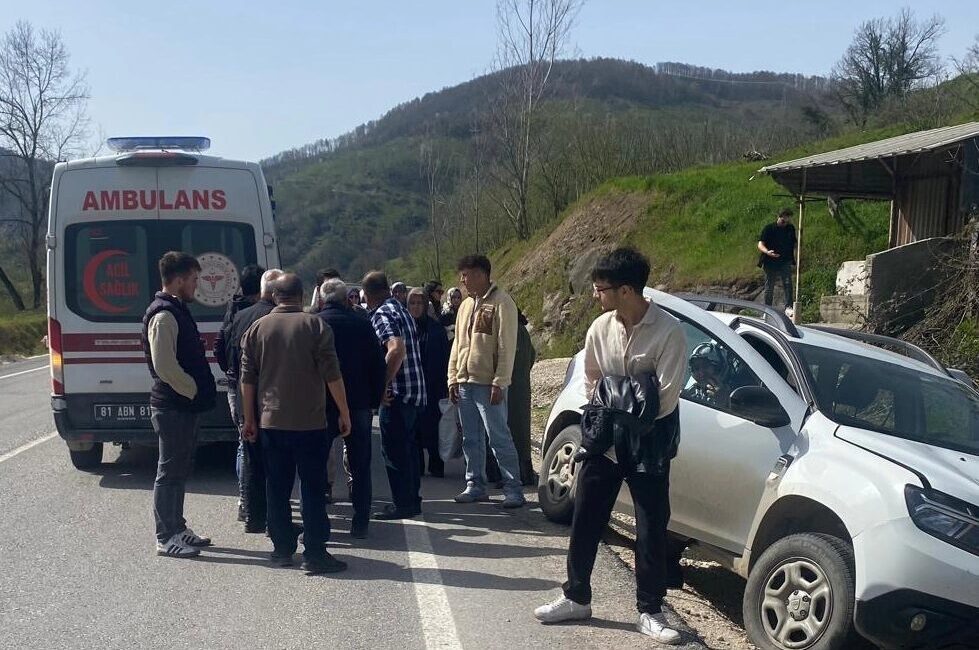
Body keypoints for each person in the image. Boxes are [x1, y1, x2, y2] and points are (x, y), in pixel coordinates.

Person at [534, 247, 686, 645]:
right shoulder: (600, 328)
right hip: (604, 440)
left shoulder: (669, 332)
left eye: (601, 288)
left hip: (649, 442)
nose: (596, 295)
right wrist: (631, 398)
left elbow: (666, 397)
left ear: (625, 290)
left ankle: (650, 610)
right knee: (585, 517)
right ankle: (576, 596)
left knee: (651, 527)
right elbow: (591, 383)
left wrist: (617, 399)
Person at [240, 273, 352, 575]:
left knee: (276, 487)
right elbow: (332, 374)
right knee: (313, 487)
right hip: (309, 422)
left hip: (270, 421)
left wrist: (249, 418)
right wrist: (344, 411)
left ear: (275, 296)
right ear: (302, 296)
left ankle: (281, 549)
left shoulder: (256, 329)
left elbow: (247, 379)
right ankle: (315, 552)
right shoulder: (316, 326)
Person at [141, 251, 217, 558]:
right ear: (179, 279)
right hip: (173, 405)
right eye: (194, 279)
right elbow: (165, 366)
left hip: (182, 405)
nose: (197, 285)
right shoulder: (163, 315)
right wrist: (193, 389)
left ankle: (178, 527)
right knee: (169, 471)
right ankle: (165, 536)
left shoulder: (177, 309)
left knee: (180, 469)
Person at [447, 255, 525, 508]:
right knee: (471, 438)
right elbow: (457, 345)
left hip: (488, 383)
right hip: (464, 382)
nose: (462, 280)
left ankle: (513, 489)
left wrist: (500, 382)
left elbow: (506, 346)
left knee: (498, 436)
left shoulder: (502, 303)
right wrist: (452, 378)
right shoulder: (465, 306)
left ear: (481, 275)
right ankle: (475, 485)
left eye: (466, 275)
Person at [317, 278, 387, 538]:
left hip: (321, 404)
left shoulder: (315, 323)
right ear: (348, 298)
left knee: (317, 463)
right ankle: (360, 520)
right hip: (358, 402)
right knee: (360, 463)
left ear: (323, 299)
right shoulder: (361, 323)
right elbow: (377, 364)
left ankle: (319, 520)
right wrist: (374, 399)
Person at [362, 271, 426, 520]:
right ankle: (412, 499)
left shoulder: (382, 314)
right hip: (414, 390)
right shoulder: (401, 309)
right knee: (409, 449)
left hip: (397, 392)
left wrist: (381, 384)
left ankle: (403, 503)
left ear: (368, 295)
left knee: (394, 451)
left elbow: (395, 349)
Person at [226, 268, 284, 533]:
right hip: (272, 400)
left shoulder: (239, 316)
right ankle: (276, 520)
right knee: (275, 464)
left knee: (251, 460)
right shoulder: (278, 318)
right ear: (275, 292)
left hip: (244, 396)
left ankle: (253, 517)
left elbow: (228, 355)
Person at [213, 263, 264, 522]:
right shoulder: (263, 312)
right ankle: (254, 502)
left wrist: (230, 371)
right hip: (257, 385)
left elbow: (219, 346)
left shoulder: (233, 309)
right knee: (255, 445)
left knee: (244, 442)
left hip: (235, 384)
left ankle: (245, 502)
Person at [407, 288, 450, 478]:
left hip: (433, 385)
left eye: (420, 303)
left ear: (426, 305)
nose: (416, 307)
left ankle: (436, 464)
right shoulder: (404, 327)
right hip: (412, 385)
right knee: (413, 429)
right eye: (412, 303)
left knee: (433, 428)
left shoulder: (436, 328)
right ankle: (416, 466)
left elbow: (445, 358)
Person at [757, 207, 797, 311]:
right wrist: (767, 252)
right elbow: (760, 244)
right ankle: (767, 309)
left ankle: (789, 307)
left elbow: (794, 243)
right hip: (770, 261)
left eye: (788, 219)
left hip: (785, 260)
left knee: (788, 283)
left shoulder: (790, 228)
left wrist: (796, 254)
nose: (785, 222)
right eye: (783, 220)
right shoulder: (769, 228)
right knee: (770, 285)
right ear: (779, 217)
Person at [682, 341, 732, 408]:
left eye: (705, 366)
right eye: (696, 368)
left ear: (719, 368)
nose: (701, 373)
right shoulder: (688, 394)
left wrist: (723, 401)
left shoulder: (734, 396)